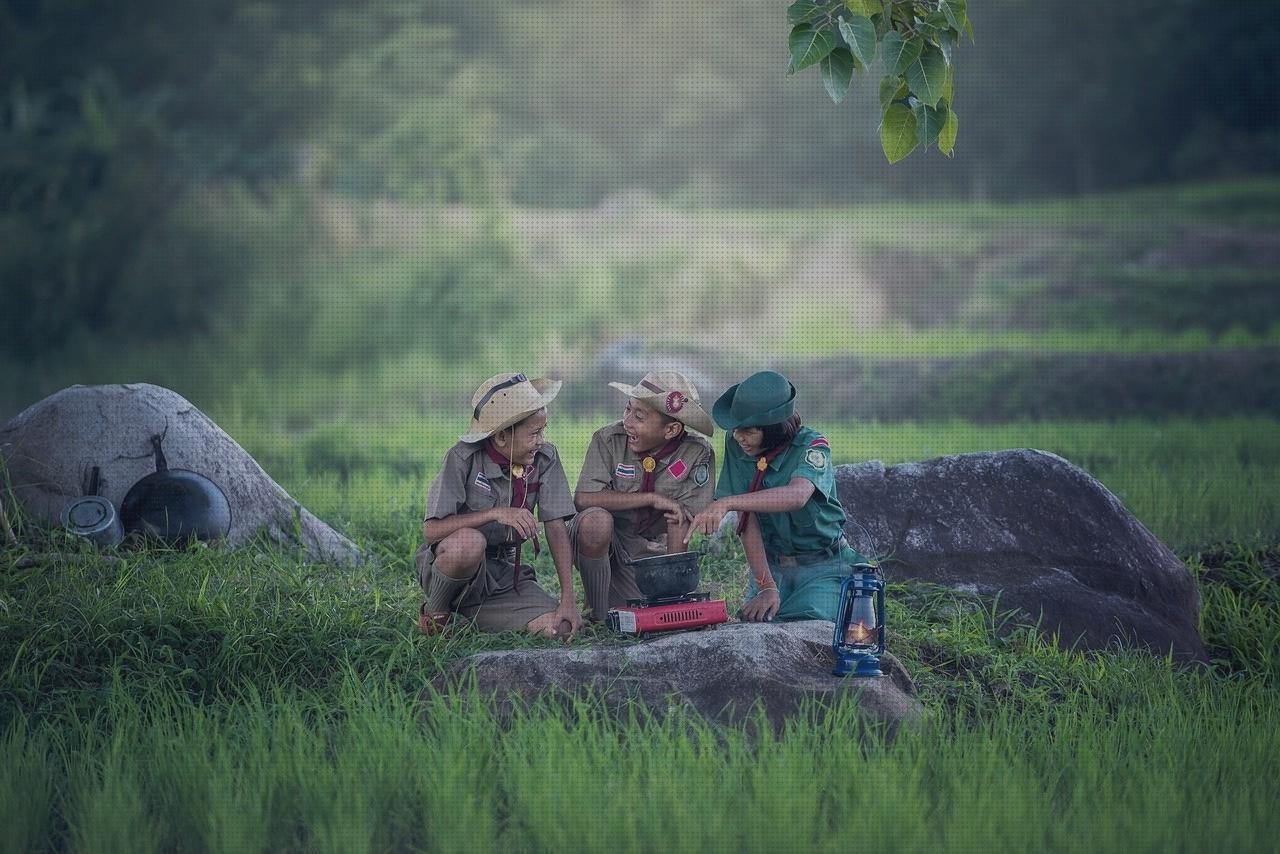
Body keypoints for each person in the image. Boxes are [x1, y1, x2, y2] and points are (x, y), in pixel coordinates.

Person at [685, 370, 865, 622]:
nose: (738, 437)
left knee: (807, 623)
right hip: (772, 568)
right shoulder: (738, 443)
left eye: (747, 430)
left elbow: (796, 496)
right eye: (735, 429)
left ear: (772, 428)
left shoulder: (812, 446)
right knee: (754, 627)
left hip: (822, 567)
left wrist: (726, 502)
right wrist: (766, 586)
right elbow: (748, 522)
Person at [415, 373, 584, 639]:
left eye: (543, 430)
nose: (541, 440)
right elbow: (432, 531)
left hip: (502, 578)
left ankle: (476, 616)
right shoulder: (463, 458)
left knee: (561, 630)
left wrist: (568, 599)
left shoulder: (545, 458)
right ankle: (437, 614)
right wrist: (494, 513)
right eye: (534, 433)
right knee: (469, 543)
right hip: (455, 567)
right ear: (502, 436)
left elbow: (555, 525)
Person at [570, 371, 717, 620]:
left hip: (651, 551)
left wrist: (674, 590)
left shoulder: (696, 453)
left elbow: (683, 518)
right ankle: (595, 611)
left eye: (639, 416)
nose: (627, 421)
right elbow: (584, 498)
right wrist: (649, 498)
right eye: (627, 410)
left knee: (655, 609)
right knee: (596, 522)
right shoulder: (608, 440)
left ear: (671, 429)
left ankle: (654, 597)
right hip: (610, 542)